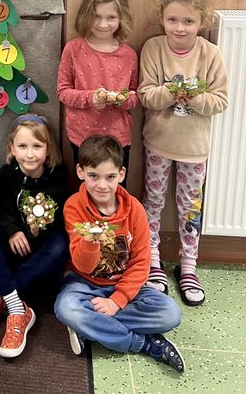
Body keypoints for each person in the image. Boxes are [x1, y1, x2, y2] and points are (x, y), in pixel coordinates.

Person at [54, 136, 185, 374]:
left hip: (125, 285)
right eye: (93, 176)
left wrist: (117, 300)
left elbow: (141, 262)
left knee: (171, 314)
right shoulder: (73, 206)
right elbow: (83, 266)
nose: (102, 185)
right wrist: (90, 242)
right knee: (66, 309)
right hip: (84, 283)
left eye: (110, 177)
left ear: (121, 174)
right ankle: (144, 344)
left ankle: (90, 328)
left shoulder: (135, 209)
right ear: (81, 172)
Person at [138, 0, 228, 306]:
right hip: (158, 143)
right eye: (173, 20)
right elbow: (145, 94)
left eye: (188, 21)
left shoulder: (210, 54)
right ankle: (152, 260)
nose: (180, 27)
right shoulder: (153, 48)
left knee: (190, 207)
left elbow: (220, 100)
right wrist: (170, 93)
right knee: (153, 201)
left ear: (202, 22)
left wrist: (196, 98)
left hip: (194, 147)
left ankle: (188, 265)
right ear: (162, 19)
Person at [0, 114, 68, 359]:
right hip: (11, 249)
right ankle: (17, 306)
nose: (29, 154)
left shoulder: (58, 177)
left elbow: (61, 219)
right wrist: (13, 230)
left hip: (38, 260)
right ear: (12, 148)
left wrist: (37, 230)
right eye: (23, 146)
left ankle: (1, 293)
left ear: (48, 149)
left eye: (37, 146)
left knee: (60, 244)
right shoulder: (6, 174)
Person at [57, 0, 138, 173]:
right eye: (96, 16)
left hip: (118, 138)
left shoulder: (129, 55)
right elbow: (62, 92)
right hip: (82, 136)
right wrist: (90, 98)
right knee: (86, 186)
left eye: (111, 17)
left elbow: (135, 96)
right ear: (86, 15)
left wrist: (123, 100)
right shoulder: (73, 49)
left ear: (121, 18)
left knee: (116, 187)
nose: (103, 24)